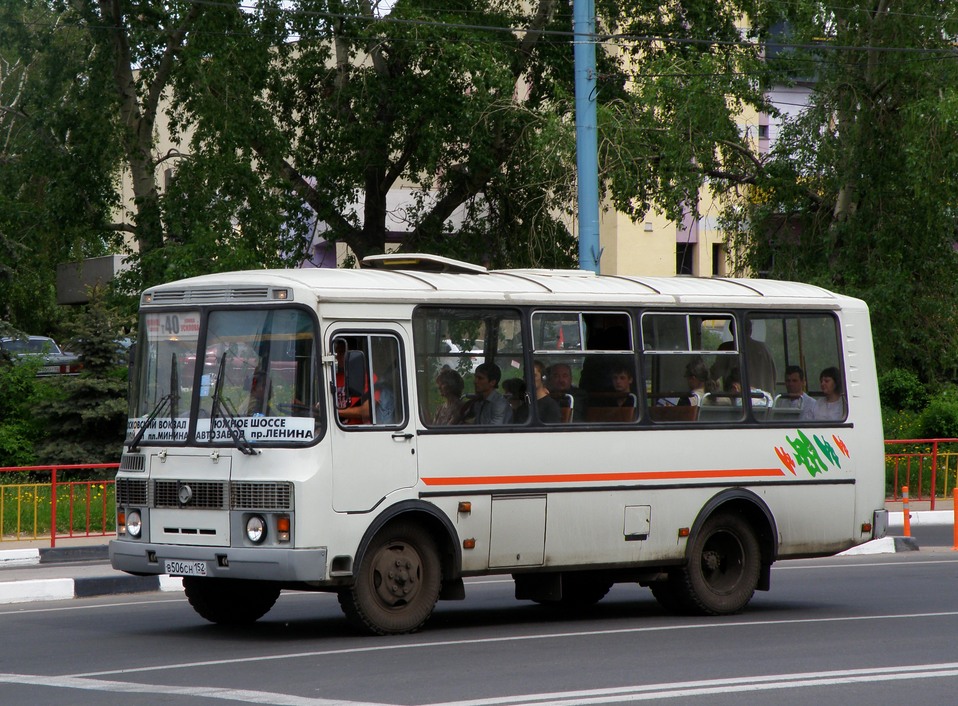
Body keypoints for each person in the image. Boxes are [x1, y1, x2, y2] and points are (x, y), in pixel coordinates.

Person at [711, 319, 776, 395]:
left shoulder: (728, 348)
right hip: (766, 401)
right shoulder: (765, 349)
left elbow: (715, 373)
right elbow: (774, 377)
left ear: (732, 331)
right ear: (750, 331)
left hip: (741, 401)